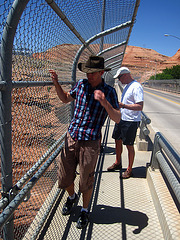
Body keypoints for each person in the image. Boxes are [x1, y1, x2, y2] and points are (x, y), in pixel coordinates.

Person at [49, 55, 121, 229]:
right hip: (72, 137)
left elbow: (117, 118)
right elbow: (66, 98)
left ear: (102, 72)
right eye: (87, 72)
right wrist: (56, 83)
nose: (89, 76)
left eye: (93, 73)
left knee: (85, 179)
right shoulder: (81, 85)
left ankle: (85, 210)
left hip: (90, 142)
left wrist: (104, 102)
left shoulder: (109, 91)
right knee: (65, 176)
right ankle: (72, 197)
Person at [107, 67, 144, 179]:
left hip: (131, 121)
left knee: (129, 145)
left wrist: (123, 105)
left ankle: (129, 169)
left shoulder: (136, 87)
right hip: (122, 118)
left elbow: (140, 106)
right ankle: (118, 162)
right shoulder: (127, 86)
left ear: (125, 75)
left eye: (119, 77)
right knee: (117, 139)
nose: (119, 80)